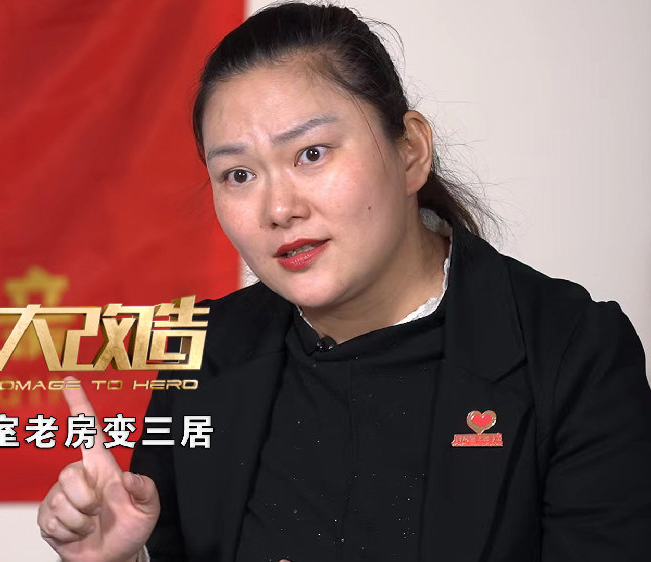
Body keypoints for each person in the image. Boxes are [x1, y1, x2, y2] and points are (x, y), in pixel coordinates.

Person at [36, 3, 651, 561]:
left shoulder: (572, 351)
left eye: (311, 153)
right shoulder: (205, 349)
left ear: (411, 150)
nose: (279, 209)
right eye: (239, 175)